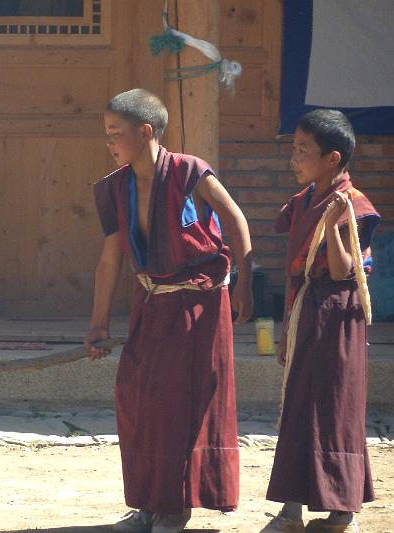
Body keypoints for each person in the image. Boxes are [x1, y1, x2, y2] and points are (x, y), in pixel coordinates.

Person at [86, 89, 253, 533]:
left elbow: (235, 219)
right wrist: (98, 324)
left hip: (198, 301)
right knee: (138, 398)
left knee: (180, 401)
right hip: (150, 301)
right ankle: (148, 501)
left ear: (145, 132)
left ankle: (175, 506)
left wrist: (245, 285)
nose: (109, 143)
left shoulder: (189, 171)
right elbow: (110, 259)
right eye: (107, 135)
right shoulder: (116, 187)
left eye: (115, 134)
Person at [260, 110, 380, 533]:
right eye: (293, 148)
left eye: (302, 151)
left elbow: (346, 269)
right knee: (297, 404)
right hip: (306, 308)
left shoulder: (354, 204)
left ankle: (342, 510)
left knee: (334, 406)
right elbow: (294, 260)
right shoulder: (304, 200)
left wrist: (332, 226)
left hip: (338, 313)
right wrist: (285, 330)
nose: (293, 158)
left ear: (332, 159)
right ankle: (291, 508)